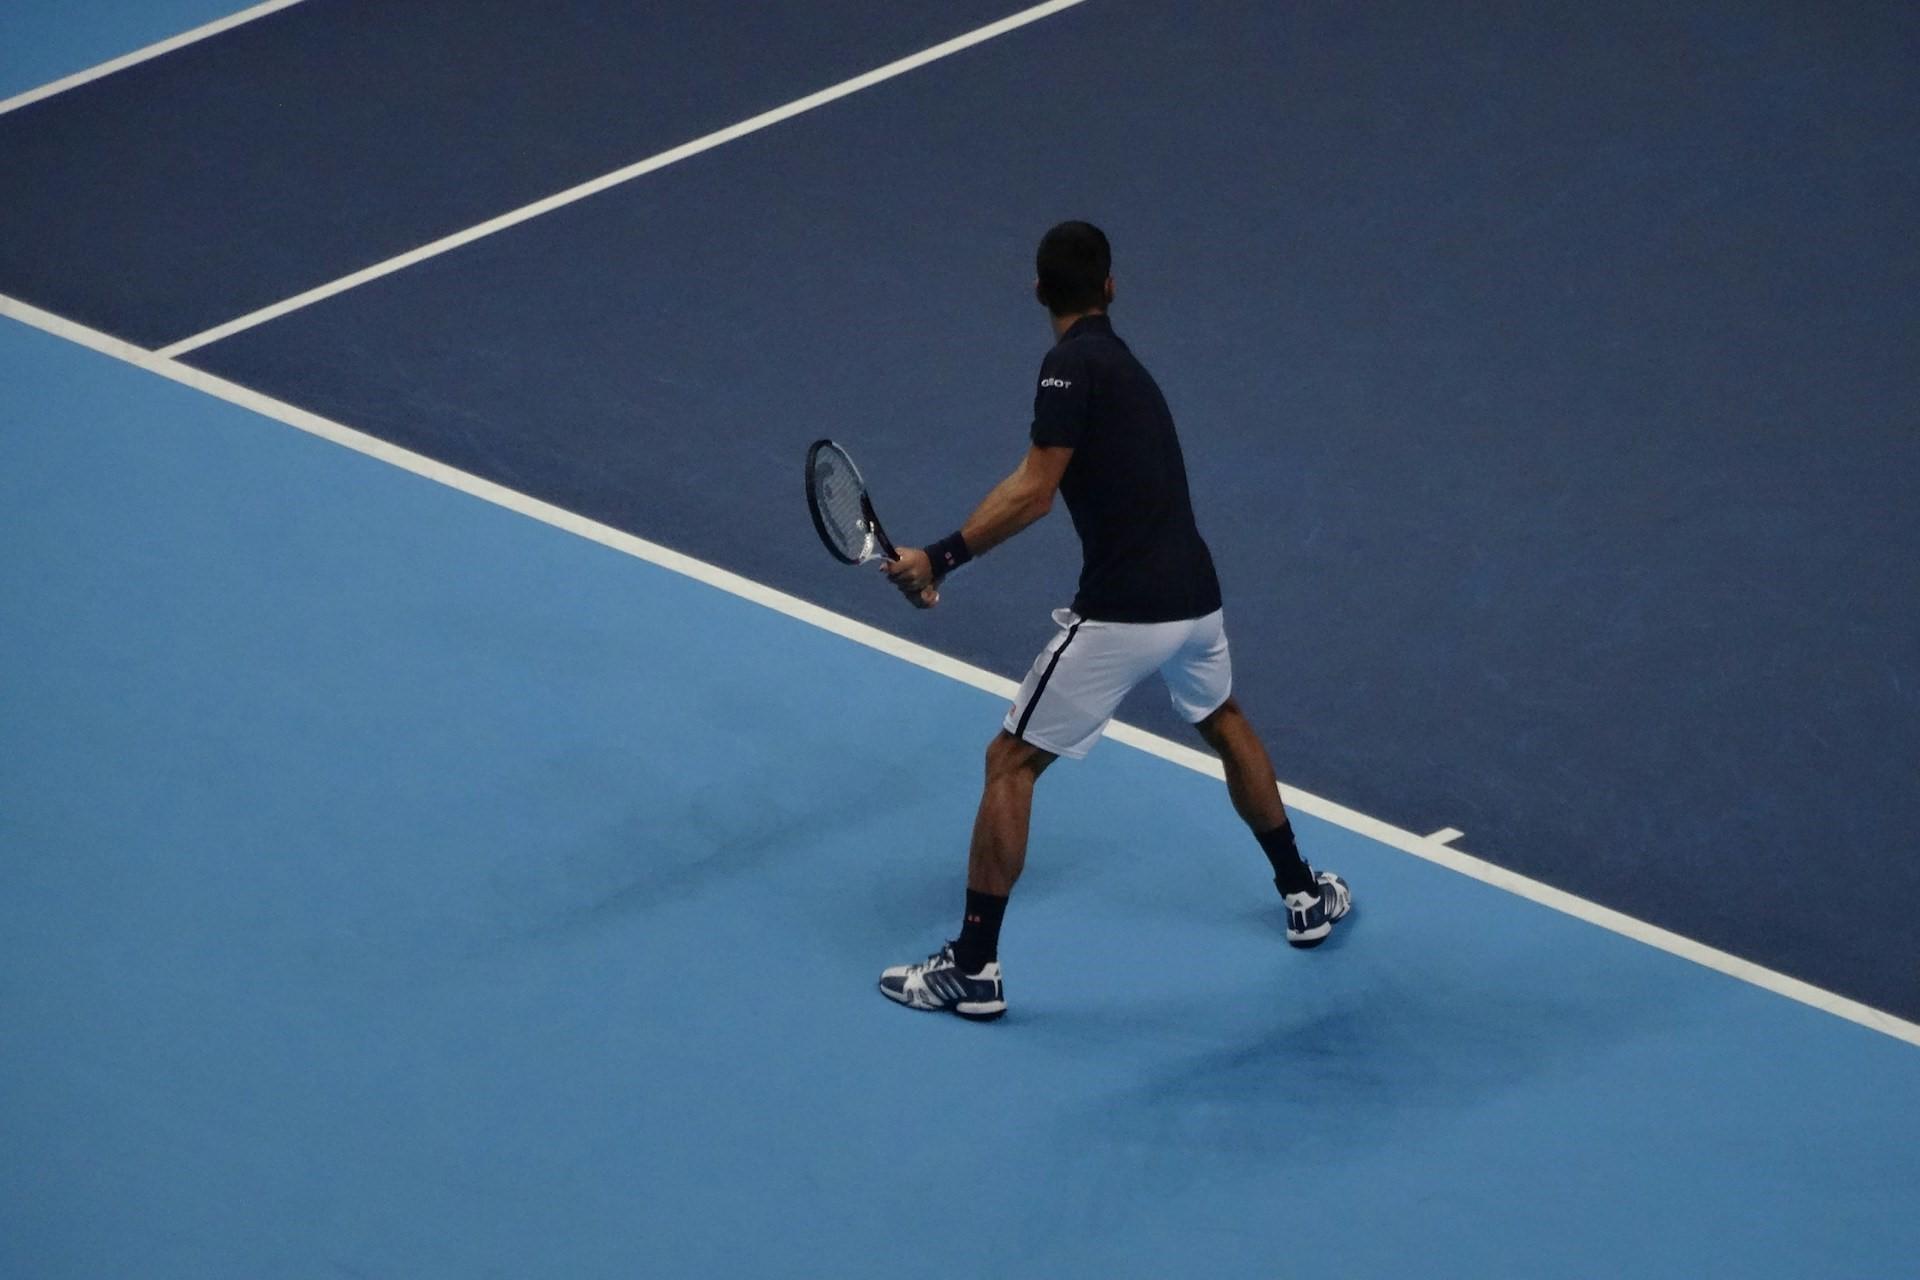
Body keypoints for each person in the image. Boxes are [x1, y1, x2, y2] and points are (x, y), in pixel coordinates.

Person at [877, 221, 1350, 1021]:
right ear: (1110, 287)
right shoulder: (1125, 364)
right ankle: (1304, 893)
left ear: (1037, 293)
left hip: (1126, 609)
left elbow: (1034, 488)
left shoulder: (1068, 366)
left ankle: (973, 965)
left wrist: (941, 557)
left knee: (1009, 763)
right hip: (1196, 600)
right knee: (1222, 716)